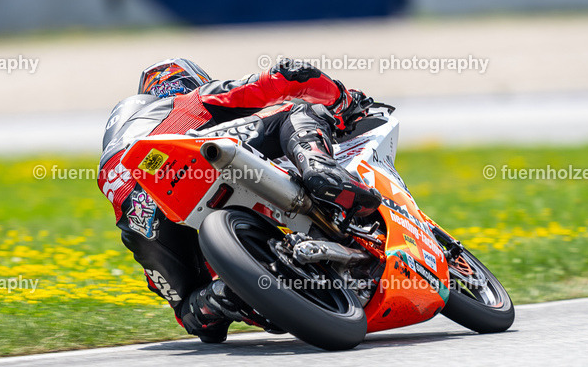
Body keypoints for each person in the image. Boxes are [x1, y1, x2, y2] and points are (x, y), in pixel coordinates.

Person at [96, 57, 379, 343]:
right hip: (186, 152)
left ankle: (225, 297)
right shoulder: (190, 100)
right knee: (298, 108)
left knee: (191, 313)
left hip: (134, 210)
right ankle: (318, 166)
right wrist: (343, 101)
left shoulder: (123, 148)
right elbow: (288, 75)